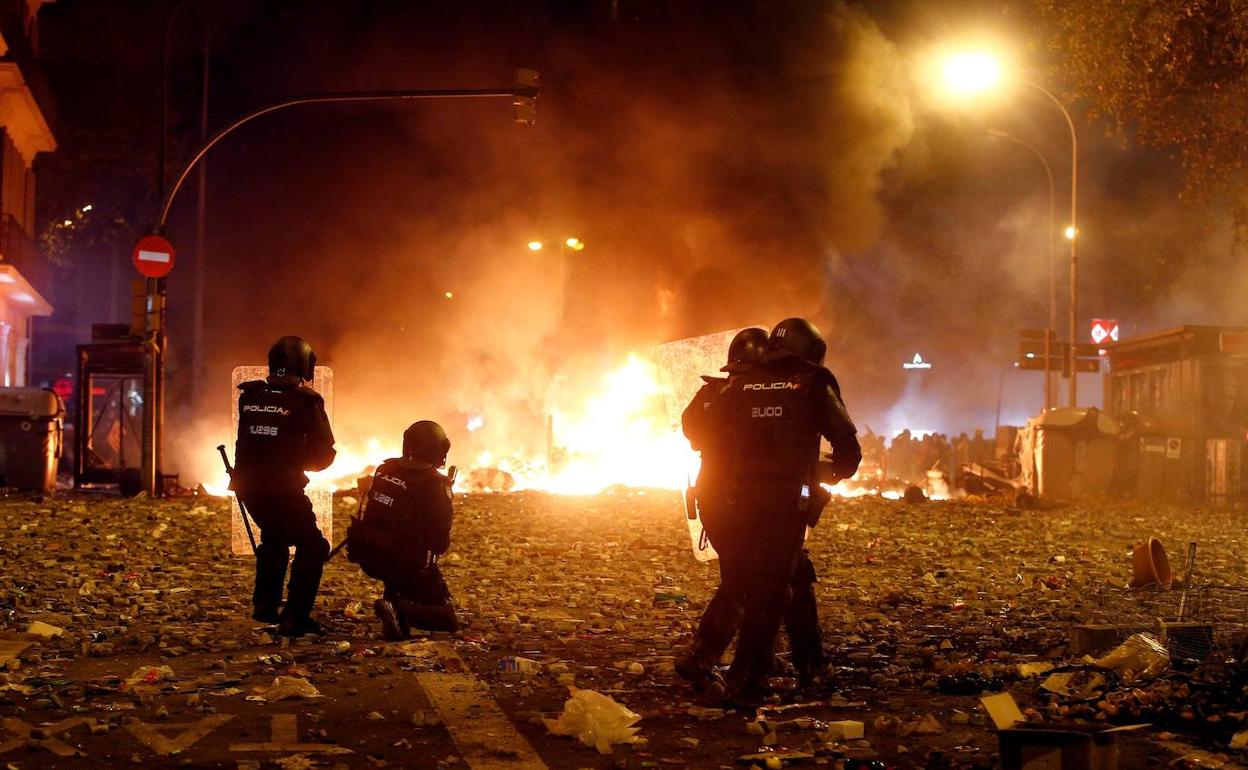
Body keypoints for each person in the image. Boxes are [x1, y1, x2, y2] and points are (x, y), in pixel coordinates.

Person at [713, 317, 861, 703]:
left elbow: (716, 439)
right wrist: (832, 470)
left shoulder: (740, 381)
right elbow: (847, 444)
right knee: (770, 589)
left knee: (780, 578)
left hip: (739, 498)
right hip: (786, 500)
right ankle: (745, 680)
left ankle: (810, 663)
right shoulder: (813, 381)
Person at [676, 326, 768, 691]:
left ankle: (756, 655)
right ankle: (702, 656)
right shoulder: (754, 396)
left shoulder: (711, 393)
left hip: (712, 499)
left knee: (746, 577)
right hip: (742, 501)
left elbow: (690, 431)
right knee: (744, 582)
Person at [232, 336, 336, 637]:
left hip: (248, 487)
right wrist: (297, 460)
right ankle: (295, 617)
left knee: (275, 538)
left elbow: (249, 440)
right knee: (314, 546)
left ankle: (265, 606)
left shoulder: (249, 395)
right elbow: (323, 454)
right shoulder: (306, 401)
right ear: (302, 363)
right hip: (284, 488)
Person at [349, 420, 459, 638]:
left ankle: (394, 607)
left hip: (371, 555)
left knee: (399, 563)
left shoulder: (385, 469)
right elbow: (439, 543)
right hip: (407, 562)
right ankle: (399, 608)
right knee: (448, 620)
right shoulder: (435, 483)